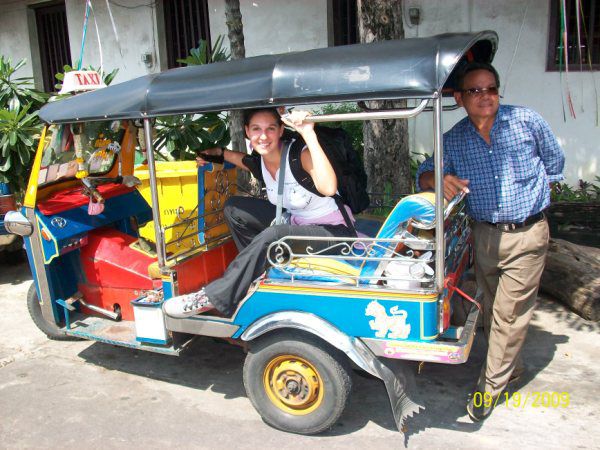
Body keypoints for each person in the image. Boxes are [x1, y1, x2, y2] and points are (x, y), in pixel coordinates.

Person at [416, 62, 564, 422]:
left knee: (508, 316)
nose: (485, 96)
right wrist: (440, 179)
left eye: (491, 89)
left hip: (528, 234)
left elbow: (555, 163)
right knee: (494, 309)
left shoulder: (525, 121)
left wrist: (537, 200)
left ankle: (488, 390)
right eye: (476, 91)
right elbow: (423, 175)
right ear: (460, 97)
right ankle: (510, 367)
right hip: (483, 235)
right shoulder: (455, 138)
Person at [163, 107, 356, 318]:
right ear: (247, 131)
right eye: (256, 129)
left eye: (270, 129)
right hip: (298, 226)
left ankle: (214, 296)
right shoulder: (261, 162)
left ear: (281, 130)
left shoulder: (300, 155)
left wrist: (308, 133)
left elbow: (328, 188)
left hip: (335, 234)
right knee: (234, 208)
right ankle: (258, 277)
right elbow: (240, 159)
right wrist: (216, 154)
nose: (263, 136)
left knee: (275, 235)